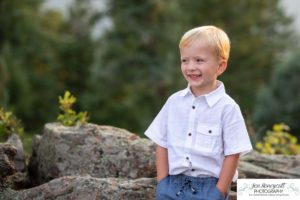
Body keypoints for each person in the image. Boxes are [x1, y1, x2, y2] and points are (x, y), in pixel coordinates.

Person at [145, 25, 252, 200]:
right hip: (172, 184)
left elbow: (233, 153)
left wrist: (220, 191)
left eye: (199, 60)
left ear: (220, 66)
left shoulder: (227, 108)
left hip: (209, 187)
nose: (190, 67)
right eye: (184, 60)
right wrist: (162, 182)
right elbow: (161, 143)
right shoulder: (174, 102)